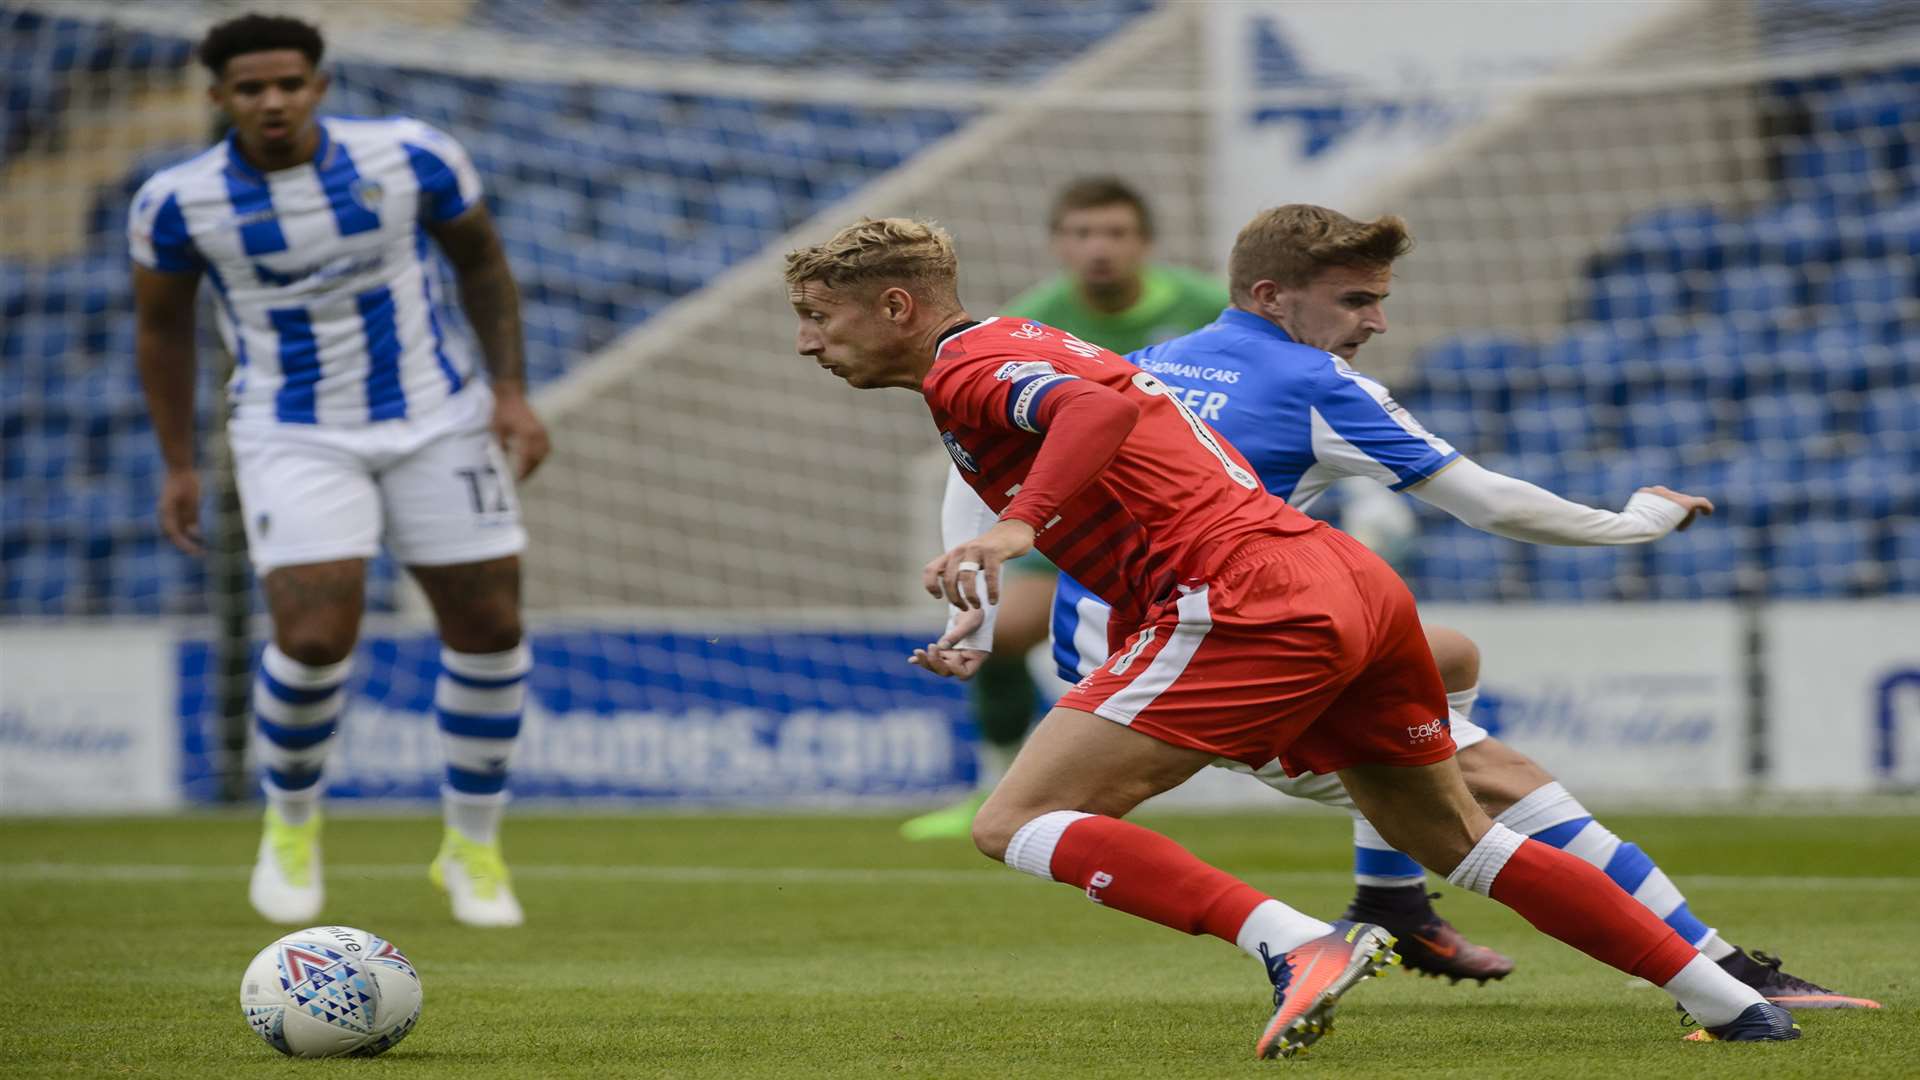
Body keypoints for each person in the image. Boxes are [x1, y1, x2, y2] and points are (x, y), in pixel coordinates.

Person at [787, 217, 1798, 1056]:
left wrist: (1017, 528)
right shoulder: (1014, 345)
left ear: (895, 307)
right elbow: (1022, 445)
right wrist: (978, 580)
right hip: (1345, 583)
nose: (807, 341)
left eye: (817, 317)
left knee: (1011, 823)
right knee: (1458, 837)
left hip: (1232, 599)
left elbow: (1089, 417)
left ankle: (1295, 942)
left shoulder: (977, 370)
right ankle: (1730, 1002)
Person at [130, 13, 549, 928]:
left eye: (289, 84)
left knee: (490, 626)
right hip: (292, 429)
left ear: (320, 86)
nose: (272, 101)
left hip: (439, 417)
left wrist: (510, 392)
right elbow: (161, 329)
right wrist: (176, 462)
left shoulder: (411, 157)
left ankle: (472, 847)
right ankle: (289, 825)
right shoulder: (177, 200)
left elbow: (482, 264)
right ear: (219, 99)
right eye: (250, 89)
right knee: (318, 636)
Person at [902, 178, 1228, 841]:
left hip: (1185, 524)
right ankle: (995, 787)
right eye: (1081, 235)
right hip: (1067, 530)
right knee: (998, 638)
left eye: (1113, 233)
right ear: (1058, 244)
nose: (1097, 249)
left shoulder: (1207, 310)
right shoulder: (1028, 320)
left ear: (1145, 243)